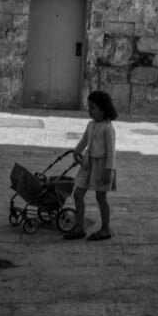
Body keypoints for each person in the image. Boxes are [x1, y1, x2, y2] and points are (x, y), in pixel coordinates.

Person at [63, 90, 118, 241]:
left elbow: (111, 152)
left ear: (103, 109)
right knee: (77, 194)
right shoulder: (91, 124)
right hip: (88, 164)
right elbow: (84, 140)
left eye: (92, 107)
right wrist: (76, 151)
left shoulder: (108, 129)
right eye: (89, 107)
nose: (89, 110)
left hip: (102, 167)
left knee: (101, 197)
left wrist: (109, 170)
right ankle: (79, 227)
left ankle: (105, 229)